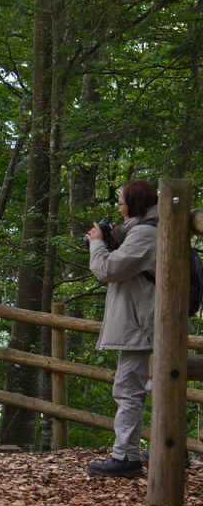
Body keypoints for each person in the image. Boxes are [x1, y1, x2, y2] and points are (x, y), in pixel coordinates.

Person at [85, 179, 159, 478]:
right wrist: (114, 237)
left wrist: (97, 243)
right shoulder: (150, 227)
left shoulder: (146, 233)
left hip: (143, 323)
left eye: (121, 203)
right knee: (160, 385)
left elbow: (108, 269)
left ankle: (126, 457)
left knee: (128, 388)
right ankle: (169, 447)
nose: (118, 208)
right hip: (149, 320)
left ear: (135, 205)